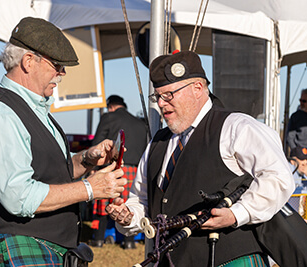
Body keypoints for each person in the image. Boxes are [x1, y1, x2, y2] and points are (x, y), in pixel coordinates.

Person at [106, 51, 295, 266]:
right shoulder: (157, 142)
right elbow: (141, 199)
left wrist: (237, 214)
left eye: (168, 95)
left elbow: (278, 178)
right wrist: (129, 215)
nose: (161, 103)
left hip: (231, 259)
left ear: (197, 88)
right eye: (157, 96)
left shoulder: (236, 127)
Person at [0, 17, 127, 266]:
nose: (62, 73)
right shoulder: (0, 114)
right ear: (29, 62)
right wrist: (90, 188)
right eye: (57, 65)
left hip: (41, 246)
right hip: (17, 247)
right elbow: (18, 196)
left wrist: (87, 159)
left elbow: (49, 172)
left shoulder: (32, 110)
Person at [89, 95, 148, 249]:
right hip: (134, 170)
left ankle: (99, 240)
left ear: (111, 106)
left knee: (104, 204)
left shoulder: (108, 117)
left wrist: (93, 168)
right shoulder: (140, 123)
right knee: (130, 204)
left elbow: (97, 145)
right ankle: (129, 243)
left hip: (113, 167)